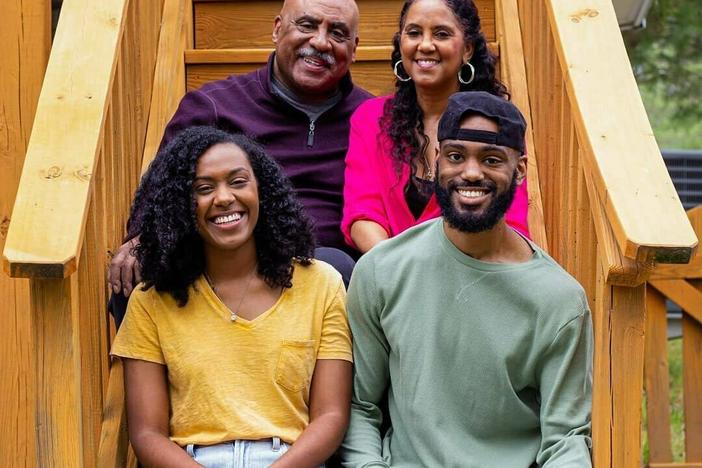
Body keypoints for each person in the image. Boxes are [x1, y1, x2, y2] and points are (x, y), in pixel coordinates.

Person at [341, 92, 593, 467]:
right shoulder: (383, 270)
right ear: (438, 160)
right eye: (456, 156)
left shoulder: (559, 301)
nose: (471, 173)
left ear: (520, 170)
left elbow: (566, 440)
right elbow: (360, 406)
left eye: (491, 160)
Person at [108, 0, 372, 321]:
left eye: (338, 33)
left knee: (337, 268)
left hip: (323, 274)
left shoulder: (372, 119)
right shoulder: (214, 106)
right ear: (277, 29)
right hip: (223, 258)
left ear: (355, 48)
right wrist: (139, 238)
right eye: (306, 25)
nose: (320, 41)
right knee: (140, 272)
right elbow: (163, 192)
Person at [111, 126, 353, 467]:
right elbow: (147, 434)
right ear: (182, 206)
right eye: (204, 188)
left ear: (262, 191)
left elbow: (331, 416)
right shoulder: (152, 301)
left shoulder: (321, 284)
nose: (224, 198)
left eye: (238, 182)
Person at [341, 0, 529, 253]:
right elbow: (363, 214)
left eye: (441, 34)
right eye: (414, 33)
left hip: (473, 273)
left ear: (467, 49)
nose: (425, 45)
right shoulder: (371, 118)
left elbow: (511, 223)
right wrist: (401, 272)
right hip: (389, 271)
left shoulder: (495, 123)